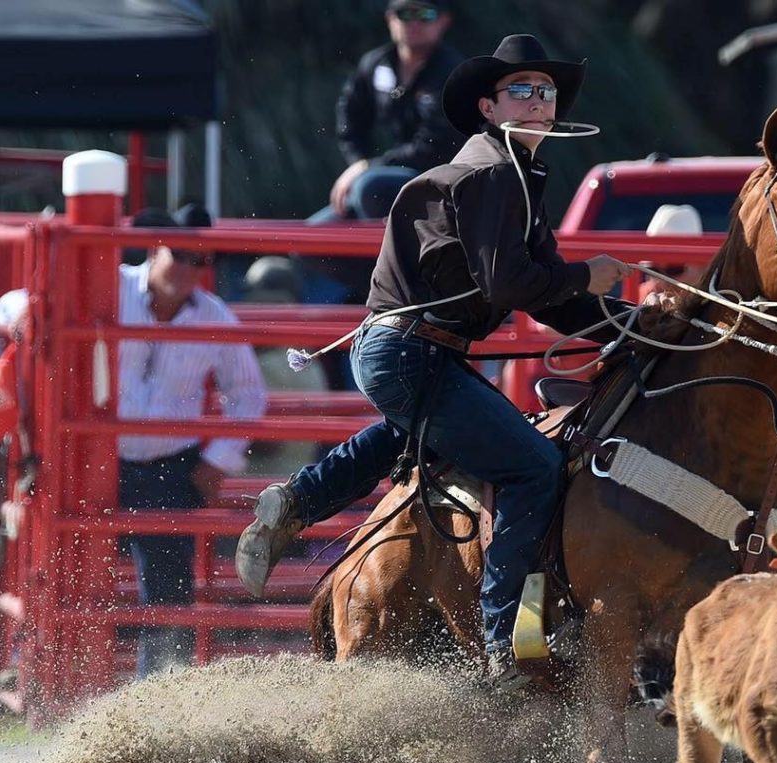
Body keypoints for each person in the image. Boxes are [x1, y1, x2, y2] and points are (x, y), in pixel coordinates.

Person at [237, 34, 632, 688]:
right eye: (521, 91)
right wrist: (588, 278)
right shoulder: (496, 175)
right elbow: (512, 286)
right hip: (414, 351)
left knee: (424, 430)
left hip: (406, 350)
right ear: (488, 105)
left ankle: (296, 501)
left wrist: (631, 324)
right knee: (534, 466)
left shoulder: (511, 175)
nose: (538, 100)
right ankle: (508, 636)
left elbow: (545, 292)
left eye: (546, 91)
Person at [121, 204, 267, 678]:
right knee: (73, 569)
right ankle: (57, 673)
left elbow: (249, 394)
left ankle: (156, 692)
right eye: (178, 255)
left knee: (167, 587)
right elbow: (21, 301)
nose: (186, 269)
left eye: (197, 260)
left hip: (167, 463)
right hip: (99, 455)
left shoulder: (215, 315)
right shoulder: (112, 286)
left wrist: (217, 459)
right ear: (154, 249)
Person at [309, 0, 463, 223]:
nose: (414, 23)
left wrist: (369, 167)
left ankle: (392, 254)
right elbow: (350, 119)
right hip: (386, 182)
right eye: (405, 14)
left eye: (425, 15)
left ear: (444, 21)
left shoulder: (454, 73)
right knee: (307, 241)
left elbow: (433, 148)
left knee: (371, 187)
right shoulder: (375, 64)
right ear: (390, 19)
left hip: (440, 188)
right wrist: (358, 162)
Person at [637, 203, 703, 303]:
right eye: (653, 270)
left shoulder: (718, 306)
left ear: (701, 268)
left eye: (674, 269)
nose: (662, 283)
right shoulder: (636, 298)